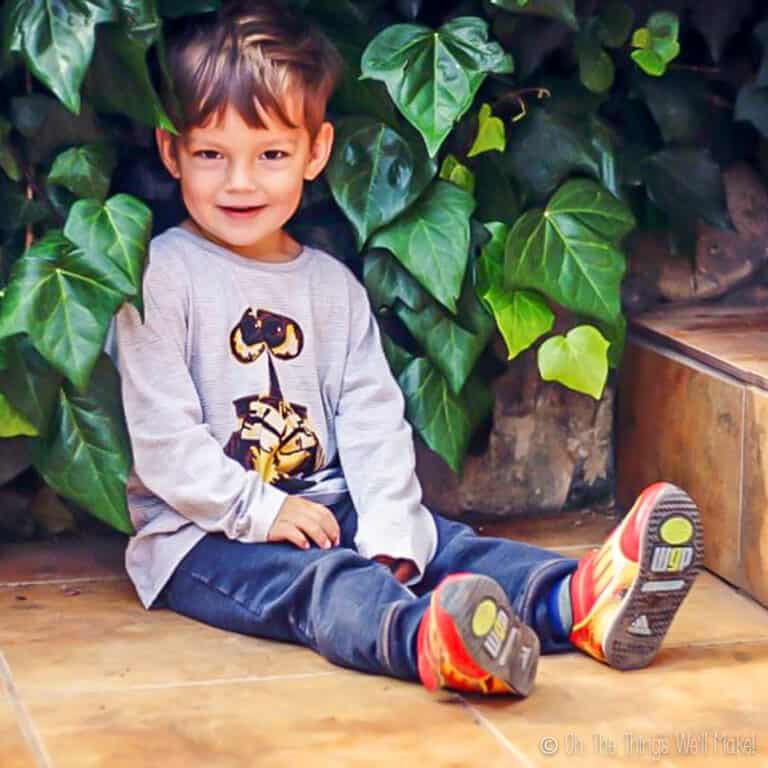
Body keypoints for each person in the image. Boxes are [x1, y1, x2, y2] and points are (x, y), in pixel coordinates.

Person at [112, 0, 703, 697]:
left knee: (444, 542)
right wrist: (263, 512)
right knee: (325, 582)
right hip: (202, 537)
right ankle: (428, 640)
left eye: (271, 154)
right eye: (212, 154)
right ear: (171, 150)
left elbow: (371, 417)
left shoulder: (332, 287)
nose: (240, 182)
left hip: (327, 504)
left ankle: (576, 601)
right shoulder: (157, 277)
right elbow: (165, 444)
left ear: (316, 152)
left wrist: (392, 529)